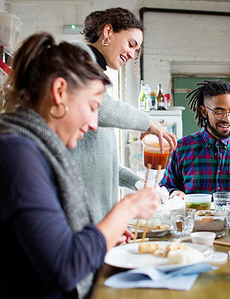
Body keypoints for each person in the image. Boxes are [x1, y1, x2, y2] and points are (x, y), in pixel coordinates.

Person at [0, 32, 159, 298]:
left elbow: (49, 244)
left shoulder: (34, 150)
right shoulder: (16, 156)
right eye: (92, 106)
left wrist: (101, 241)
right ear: (59, 92)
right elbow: (64, 267)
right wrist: (128, 208)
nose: (93, 124)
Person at [70, 7, 177, 224]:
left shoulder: (97, 75)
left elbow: (100, 161)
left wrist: (139, 183)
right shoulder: (78, 54)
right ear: (108, 31)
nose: (132, 55)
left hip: (96, 217)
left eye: (136, 51)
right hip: (77, 214)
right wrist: (147, 123)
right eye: (131, 44)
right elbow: (97, 105)